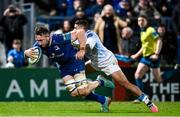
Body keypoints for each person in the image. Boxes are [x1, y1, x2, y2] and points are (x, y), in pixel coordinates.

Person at [71, 19, 159, 113]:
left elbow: (88, 46)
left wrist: (74, 44)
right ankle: (101, 93)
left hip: (107, 62)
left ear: (82, 28)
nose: (74, 30)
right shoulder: (78, 36)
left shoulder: (91, 35)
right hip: (94, 62)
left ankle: (148, 102)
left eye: (76, 28)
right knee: (77, 75)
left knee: (125, 84)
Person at [24, 25, 114, 112]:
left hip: (75, 62)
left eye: (40, 40)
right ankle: (104, 100)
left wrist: (82, 50)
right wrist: (26, 53)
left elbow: (80, 31)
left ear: (48, 37)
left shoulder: (59, 38)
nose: (38, 42)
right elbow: (31, 52)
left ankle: (99, 81)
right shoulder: (39, 45)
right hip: (63, 68)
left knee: (83, 90)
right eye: (37, 40)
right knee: (74, 92)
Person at [131, 15, 163, 97]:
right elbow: (144, 46)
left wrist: (156, 54)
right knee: (137, 75)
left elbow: (159, 40)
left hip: (152, 57)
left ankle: (175, 70)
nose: (140, 22)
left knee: (158, 80)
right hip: (145, 58)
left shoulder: (150, 30)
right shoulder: (142, 31)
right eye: (139, 21)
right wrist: (136, 55)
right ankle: (141, 96)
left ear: (146, 21)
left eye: (142, 20)